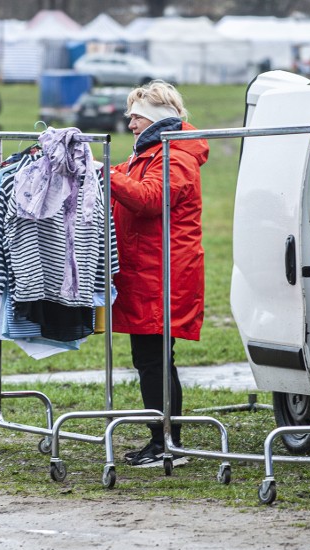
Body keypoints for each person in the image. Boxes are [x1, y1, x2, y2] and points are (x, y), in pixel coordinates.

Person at [107, 80, 209, 468]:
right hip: (149, 274)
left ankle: (168, 443)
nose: (130, 123)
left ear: (153, 118)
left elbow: (150, 199)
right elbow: (125, 180)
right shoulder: (150, 153)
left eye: (135, 116)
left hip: (164, 276)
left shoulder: (176, 158)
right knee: (150, 360)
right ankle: (163, 438)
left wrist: (103, 172)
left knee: (155, 361)